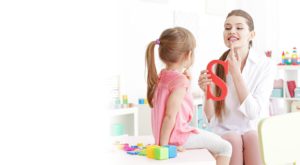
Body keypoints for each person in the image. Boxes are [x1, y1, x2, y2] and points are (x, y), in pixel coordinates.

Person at [198, 10, 275, 165]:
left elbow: (253, 113)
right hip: (226, 134)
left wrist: (236, 74)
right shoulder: (215, 67)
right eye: (227, 28)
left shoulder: (265, 65)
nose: (232, 31)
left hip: (254, 131)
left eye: (239, 28)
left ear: (251, 35)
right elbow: (210, 117)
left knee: (252, 137)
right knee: (233, 139)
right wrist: (207, 91)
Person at [145, 27, 232, 165]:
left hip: (168, 135)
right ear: (188, 54)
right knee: (225, 147)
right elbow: (169, 116)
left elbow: (173, 107)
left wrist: (187, 83)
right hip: (176, 136)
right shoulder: (179, 81)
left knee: (212, 142)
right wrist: (164, 147)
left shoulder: (163, 76)